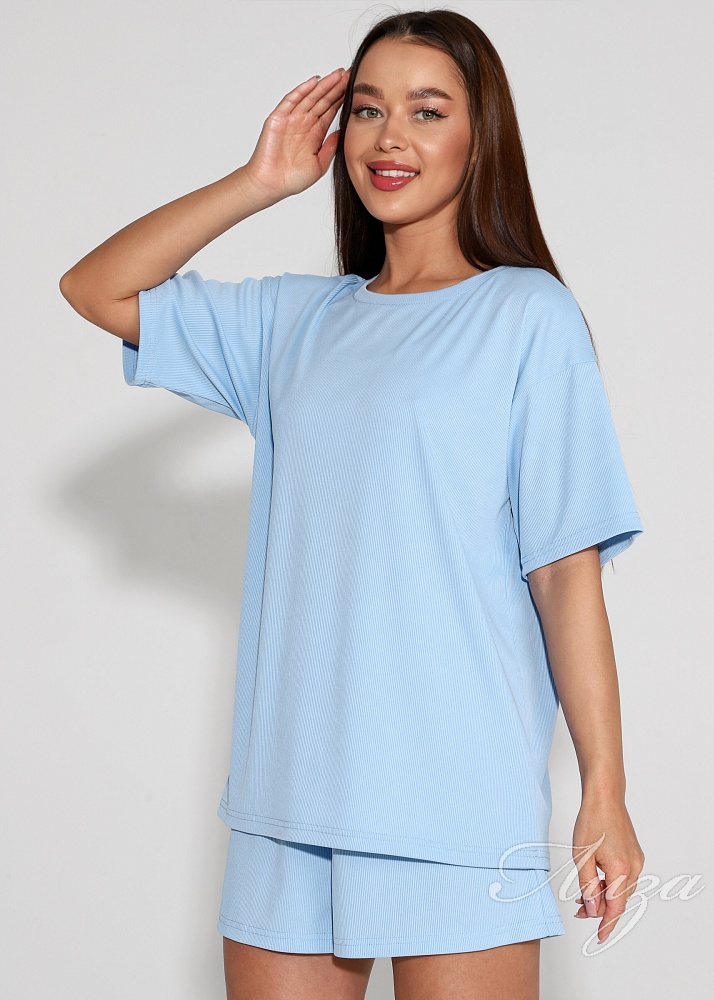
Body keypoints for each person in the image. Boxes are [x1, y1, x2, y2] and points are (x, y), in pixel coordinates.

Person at [60, 8, 646, 1000]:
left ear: (481, 137)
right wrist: (258, 182)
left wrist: (606, 790)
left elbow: (563, 571)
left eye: (427, 110)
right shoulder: (294, 322)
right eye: (368, 109)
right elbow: (95, 287)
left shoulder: (527, 316)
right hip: (287, 802)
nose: (389, 137)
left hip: (456, 801)